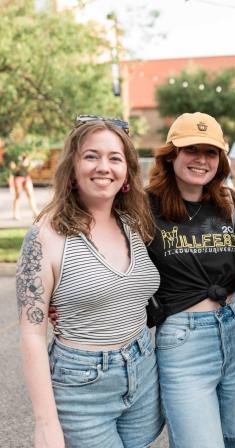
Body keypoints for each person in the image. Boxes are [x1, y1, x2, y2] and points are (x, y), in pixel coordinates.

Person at [17, 117, 164, 447]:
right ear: (72, 167)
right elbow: (31, 334)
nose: (104, 167)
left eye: (115, 158)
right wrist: (45, 423)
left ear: (127, 170)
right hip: (82, 386)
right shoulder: (45, 237)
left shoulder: (134, 223)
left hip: (142, 371)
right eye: (91, 156)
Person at [145, 112, 235, 447]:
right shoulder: (143, 205)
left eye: (210, 152)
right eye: (191, 149)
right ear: (171, 155)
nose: (201, 160)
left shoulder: (228, 202)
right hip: (184, 342)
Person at [9, 153, 40, 220]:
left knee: (30, 195)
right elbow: (12, 169)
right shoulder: (15, 158)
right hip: (18, 178)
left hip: (26, 177)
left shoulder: (27, 158)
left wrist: (28, 163)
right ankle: (15, 213)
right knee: (17, 196)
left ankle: (35, 212)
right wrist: (11, 186)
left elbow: (30, 167)